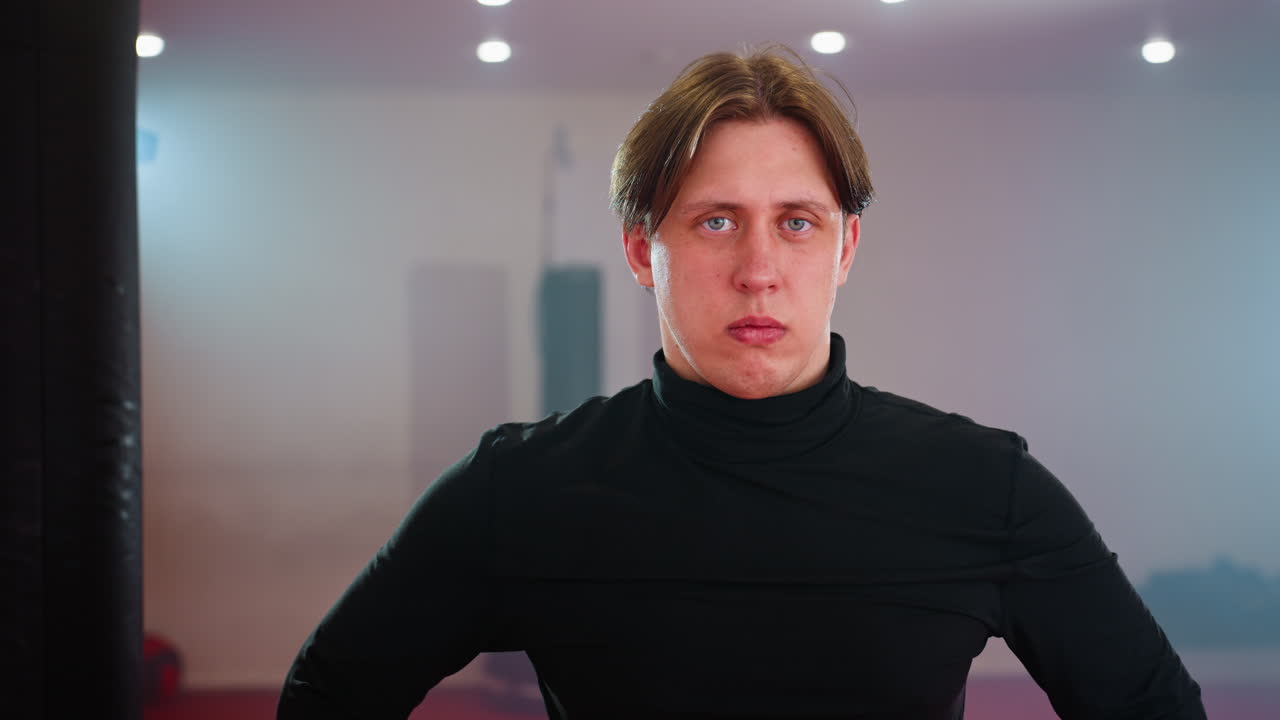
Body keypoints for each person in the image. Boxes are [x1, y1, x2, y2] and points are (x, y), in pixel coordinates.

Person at [278, 46, 1206, 719]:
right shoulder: (520, 488)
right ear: (642, 250)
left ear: (845, 248)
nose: (759, 271)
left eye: (797, 223)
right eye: (716, 222)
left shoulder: (985, 487)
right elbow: (328, 695)